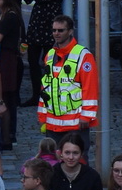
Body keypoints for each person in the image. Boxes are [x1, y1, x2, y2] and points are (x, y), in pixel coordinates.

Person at [38, 16, 98, 150]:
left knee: (79, 161)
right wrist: (42, 115)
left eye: (60, 30)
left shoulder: (83, 55)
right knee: (54, 163)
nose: (56, 33)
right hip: (53, 122)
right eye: (54, 30)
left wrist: (87, 116)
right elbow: (46, 87)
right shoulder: (50, 54)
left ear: (70, 31)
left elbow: (90, 88)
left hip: (76, 123)